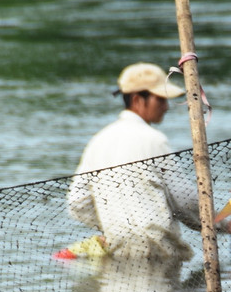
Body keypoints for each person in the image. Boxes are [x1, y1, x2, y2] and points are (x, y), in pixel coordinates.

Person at [67, 63, 203, 261]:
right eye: (160, 99)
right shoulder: (154, 139)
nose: (166, 107)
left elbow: (78, 203)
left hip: (117, 250)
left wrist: (116, 226)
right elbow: (184, 202)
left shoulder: (99, 140)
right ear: (138, 99)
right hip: (156, 252)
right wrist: (221, 224)